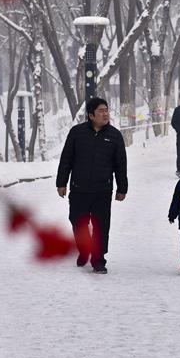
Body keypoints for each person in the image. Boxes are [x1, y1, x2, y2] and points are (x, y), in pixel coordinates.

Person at [56, 97, 128, 274]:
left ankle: (98, 260)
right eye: (101, 111)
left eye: (107, 110)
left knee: (101, 226)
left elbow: (120, 164)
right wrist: (61, 182)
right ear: (90, 115)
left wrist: (122, 188)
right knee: (77, 222)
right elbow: (66, 159)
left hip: (102, 190)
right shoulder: (76, 133)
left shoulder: (114, 136)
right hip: (79, 188)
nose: (105, 114)